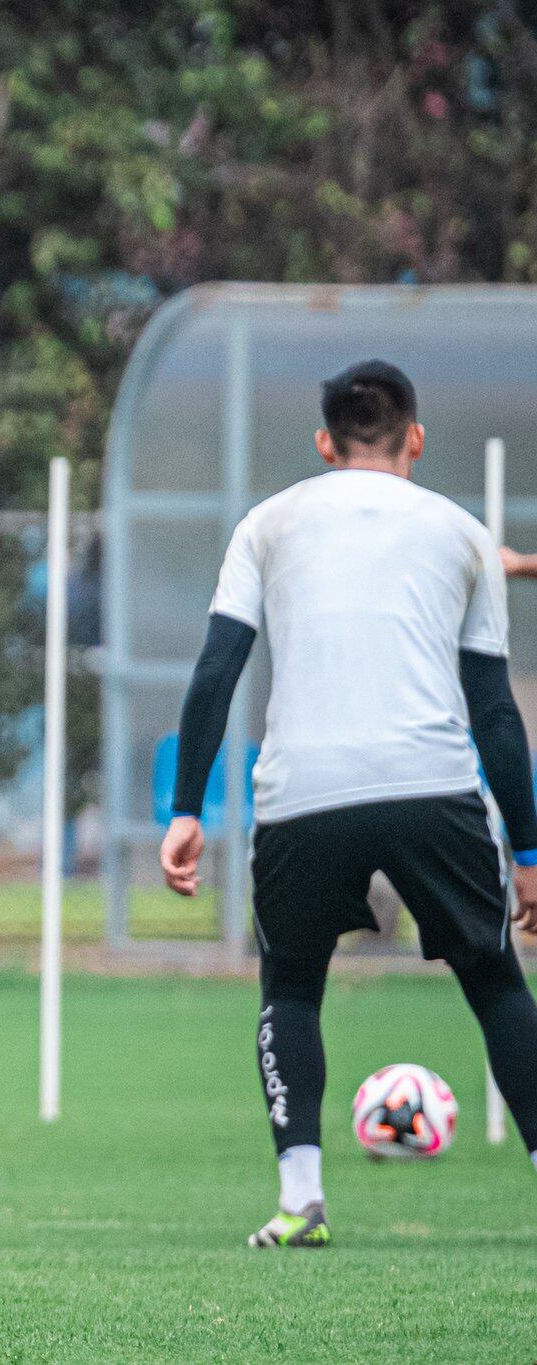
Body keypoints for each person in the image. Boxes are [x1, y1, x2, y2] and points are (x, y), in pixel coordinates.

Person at [160, 360, 537, 1249]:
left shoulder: (269, 522)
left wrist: (187, 807)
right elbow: (493, 708)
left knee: (290, 984)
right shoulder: (463, 533)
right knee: (493, 980)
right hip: (430, 785)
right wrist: (528, 853)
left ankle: (301, 1202)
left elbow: (217, 671)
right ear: (415, 437)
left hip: (304, 792)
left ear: (325, 444)